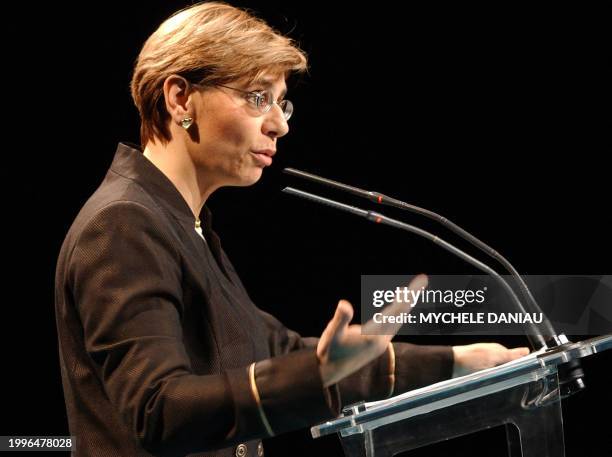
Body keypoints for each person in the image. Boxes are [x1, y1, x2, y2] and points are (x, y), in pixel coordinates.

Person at [54, 2, 529, 456]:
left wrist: (462, 363)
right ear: (180, 98)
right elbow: (158, 409)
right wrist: (316, 375)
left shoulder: (183, 225)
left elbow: (281, 351)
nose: (279, 124)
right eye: (258, 97)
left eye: (283, 103)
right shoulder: (124, 223)